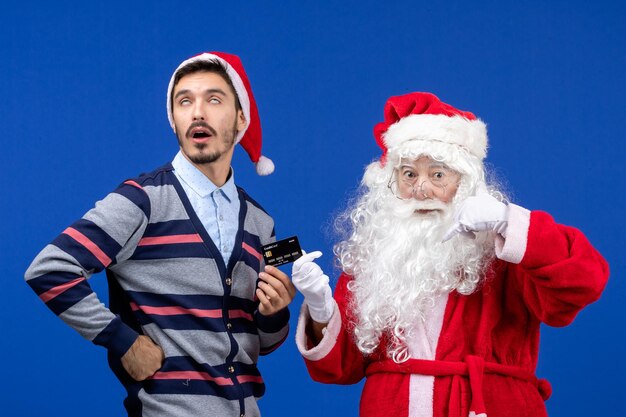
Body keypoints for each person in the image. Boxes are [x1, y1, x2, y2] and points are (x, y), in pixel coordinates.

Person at [291, 92, 609, 417]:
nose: (422, 189)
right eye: (409, 174)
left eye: (438, 174)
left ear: (466, 182)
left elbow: (585, 281)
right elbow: (341, 367)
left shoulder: (507, 248)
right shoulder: (376, 259)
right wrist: (320, 309)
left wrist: (507, 220)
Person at [25, 52, 295, 417]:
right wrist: (121, 340)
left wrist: (275, 313)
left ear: (241, 118)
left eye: (214, 99)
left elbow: (263, 344)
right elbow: (49, 269)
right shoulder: (143, 200)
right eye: (185, 101)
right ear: (174, 119)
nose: (197, 112)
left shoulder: (261, 224)